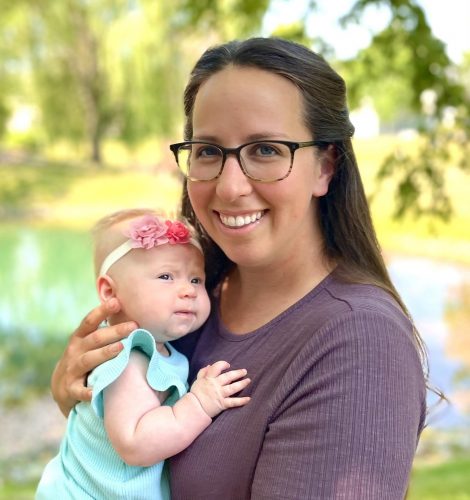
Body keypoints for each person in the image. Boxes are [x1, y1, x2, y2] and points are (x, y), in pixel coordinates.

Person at [50, 38, 428, 499]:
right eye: (208, 151)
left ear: (325, 167)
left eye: (266, 150)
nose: (229, 188)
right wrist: (74, 392)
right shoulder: (185, 298)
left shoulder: (360, 343)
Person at [36, 209, 251, 499]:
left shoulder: (155, 351)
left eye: (195, 280)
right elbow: (135, 443)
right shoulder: (127, 357)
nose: (187, 290)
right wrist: (200, 403)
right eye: (166, 276)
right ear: (111, 293)